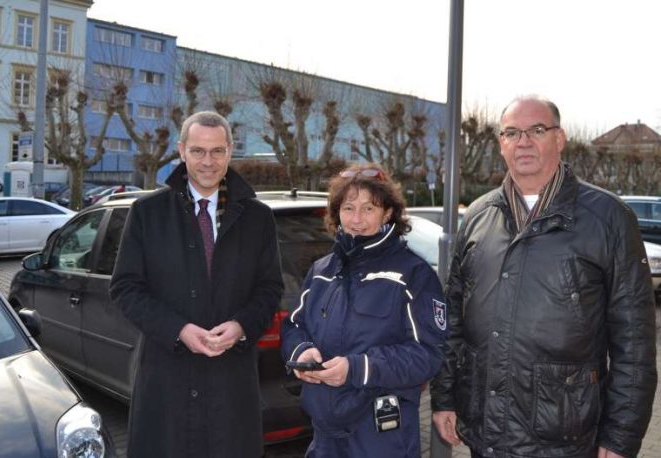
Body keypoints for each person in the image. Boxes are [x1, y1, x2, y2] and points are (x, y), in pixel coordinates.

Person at [430, 95, 657, 458]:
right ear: (501, 144)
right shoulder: (477, 216)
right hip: (486, 434)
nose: (523, 141)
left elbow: (635, 345)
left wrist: (620, 437)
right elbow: (451, 319)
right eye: (511, 132)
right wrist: (444, 398)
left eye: (537, 130)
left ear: (560, 138)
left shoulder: (609, 218)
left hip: (565, 437)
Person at [110, 111, 283, 457]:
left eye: (217, 151)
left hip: (231, 383)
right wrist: (178, 330)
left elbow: (270, 289)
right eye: (198, 151)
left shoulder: (258, 217)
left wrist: (241, 325)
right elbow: (125, 288)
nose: (208, 161)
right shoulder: (147, 213)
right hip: (166, 382)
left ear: (230, 152)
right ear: (181, 150)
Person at [281, 164, 449, 457]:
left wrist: (356, 369)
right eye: (348, 208)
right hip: (325, 434)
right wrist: (302, 352)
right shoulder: (322, 270)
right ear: (336, 214)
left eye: (369, 208)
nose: (357, 219)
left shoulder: (414, 274)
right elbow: (294, 326)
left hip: (382, 435)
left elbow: (428, 354)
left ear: (387, 213)